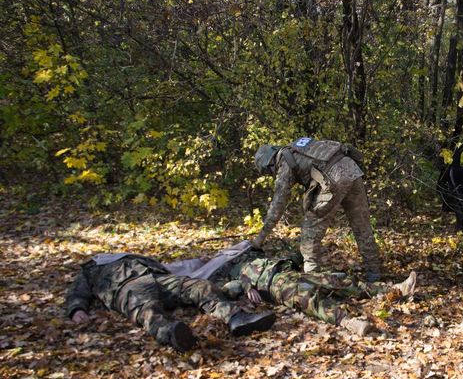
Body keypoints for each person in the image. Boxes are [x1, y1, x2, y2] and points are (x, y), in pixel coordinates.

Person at [65, 253, 277, 352]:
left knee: (198, 286)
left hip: (158, 278)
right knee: (146, 310)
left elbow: (175, 267)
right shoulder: (91, 268)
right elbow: (78, 291)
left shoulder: (133, 257)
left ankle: (236, 318)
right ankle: (173, 334)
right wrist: (76, 309)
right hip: (125, 287)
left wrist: (198, 262)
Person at [205, 247, 417, 337]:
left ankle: (395, 290)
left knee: (338, 280)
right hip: (276, 288)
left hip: (290, 274)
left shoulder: (252, 256)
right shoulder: (231, 273)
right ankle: (348, 322)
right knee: (310, 300)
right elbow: (228, 290)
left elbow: (289, 256)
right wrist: (247, 286)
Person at [252, 138, 382, 282]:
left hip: (333, 179)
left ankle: (312, 279)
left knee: (310, 233)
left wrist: (260, 239)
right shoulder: (297, 147)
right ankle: (374, 274)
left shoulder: (285, 162)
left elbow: (278, 205)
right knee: (362, 226)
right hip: (352, 169)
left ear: (269, 164)